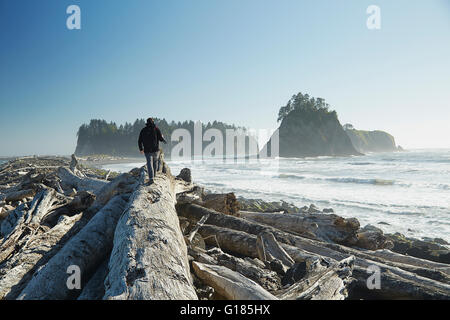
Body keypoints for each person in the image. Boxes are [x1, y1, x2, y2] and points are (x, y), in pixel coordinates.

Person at [138, 118, 167, 184]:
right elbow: (160, 138)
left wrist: (141, 149)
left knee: (149, 163)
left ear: (147, 123)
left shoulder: (143, 130)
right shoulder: (156, 129)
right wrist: (163, 138)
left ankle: (151, 178)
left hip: (147, 150)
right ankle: (154, 176)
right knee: (155, 163)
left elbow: (139, 141)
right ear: (153, 122)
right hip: (155, 150)